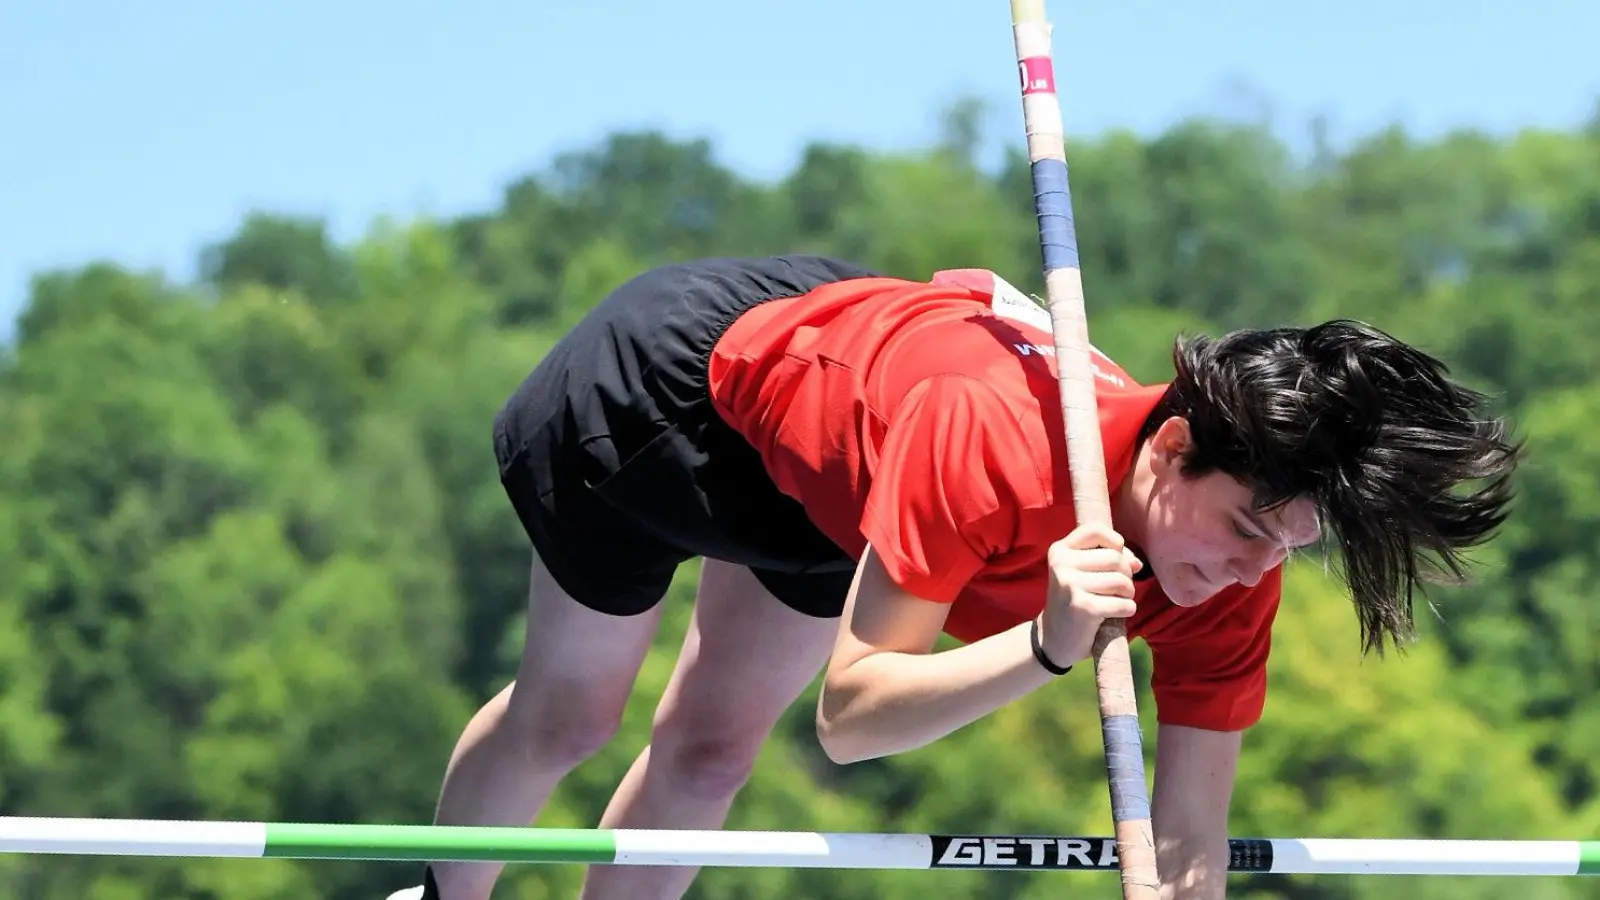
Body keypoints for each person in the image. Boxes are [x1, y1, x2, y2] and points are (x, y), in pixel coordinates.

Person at [385, 255, 1519, 900]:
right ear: (1171, 453)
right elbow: (851, 716)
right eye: (1242, 531)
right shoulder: (992, 445)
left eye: (1286, 547)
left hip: (847, 468)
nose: (1246, 571)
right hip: (676, 398)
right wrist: (1042, 648)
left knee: (714, 746)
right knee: (573, 714)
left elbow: (1184, 844)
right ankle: (440, 898)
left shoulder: (1231, 570)